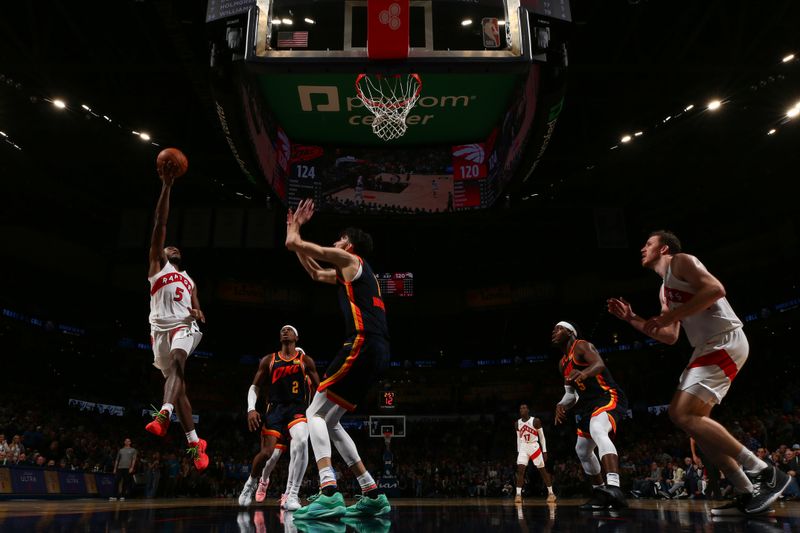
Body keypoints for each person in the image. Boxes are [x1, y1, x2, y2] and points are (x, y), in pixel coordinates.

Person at [607, 230, 790, 515]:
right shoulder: (664, 289)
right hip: (707, 346)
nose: (642, 248)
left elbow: (715, 289)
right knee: (696, 426)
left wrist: (670, 315)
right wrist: (632, 318)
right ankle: (746, 491)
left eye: (648, 243)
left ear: (663, 248)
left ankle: (766, 472)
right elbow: (668, 335)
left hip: (725, 339)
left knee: (680, 413)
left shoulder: (681, 261)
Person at [285, 198, 391, 520]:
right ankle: (370, 491)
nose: (334, 242)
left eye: (338, 238)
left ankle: (328, 491)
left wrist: (295, 226)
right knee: (330, 422)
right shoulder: (357, 274)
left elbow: (293, 243)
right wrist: (299, 245)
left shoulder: (348, 258)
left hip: (361, 342)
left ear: (348, 243)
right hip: (379, 350)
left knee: (313, 413)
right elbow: (316, 274)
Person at [144, 158, 208, 471]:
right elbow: (160, 224)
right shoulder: (158, 267)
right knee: (176, 382)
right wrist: (166, 186)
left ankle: (163, 413)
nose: (174, 248)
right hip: (159, 330)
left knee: (179, 366)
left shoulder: (191, 278)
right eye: (169, 247)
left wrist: (197, 310)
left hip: (185, 327)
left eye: (176, 249)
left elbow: (197, 306)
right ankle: (195, 442)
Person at [238, 326, 320, 511]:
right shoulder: (269, 359)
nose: (285, 331)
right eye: (282, 329)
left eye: (289, 329)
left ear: (297, 337)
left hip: (297, 409)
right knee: (268, 455)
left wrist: (316, 412)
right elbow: (254, 386)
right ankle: (253, 482)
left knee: (300, 442)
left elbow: (320, 388)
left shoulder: (305, 362)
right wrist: (251, 409)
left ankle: (292, 494)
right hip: (275, 410)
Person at [552, 321, 628, 510]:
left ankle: (614, 487)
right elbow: (571, 394)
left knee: (597, 428)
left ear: (570, 332)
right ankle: (601, 493)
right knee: (582, 450)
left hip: (608, 395)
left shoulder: (582, 345)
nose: (554, 332)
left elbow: (599, 364)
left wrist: (585, 373)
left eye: (558, 328)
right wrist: (561, 405)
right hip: (587, 405)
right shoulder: (562, 364)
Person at [514, 403, 556, 503]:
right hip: (524, 447)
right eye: (520, 408)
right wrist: (519, 451)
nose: (522, 410)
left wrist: (544, 451)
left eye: (524, 408)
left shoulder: (535, 421)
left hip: (534, 446)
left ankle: (551, 493)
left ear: (528, 410)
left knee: (542, 471)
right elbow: (518, 438)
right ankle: (518, 495)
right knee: (520, 470)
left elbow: (542, 437)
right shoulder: (517, 423)